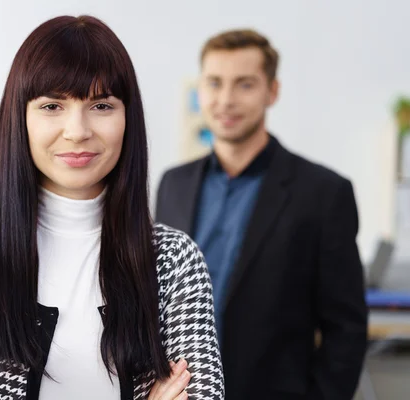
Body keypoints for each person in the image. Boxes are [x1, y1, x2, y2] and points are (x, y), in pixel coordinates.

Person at [0, 15, 224, 400]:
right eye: (53, 105)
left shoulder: (174, 260)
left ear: (129, 118)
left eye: (102, 105)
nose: (77, 130)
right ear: (20, 118)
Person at [155, 29, 367, 400]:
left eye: (245, 84)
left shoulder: (323, 193)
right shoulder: (173, 184)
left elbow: (346, 329)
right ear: (199, 89)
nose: (225, 100)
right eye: (214, 83)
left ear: (272, 91)